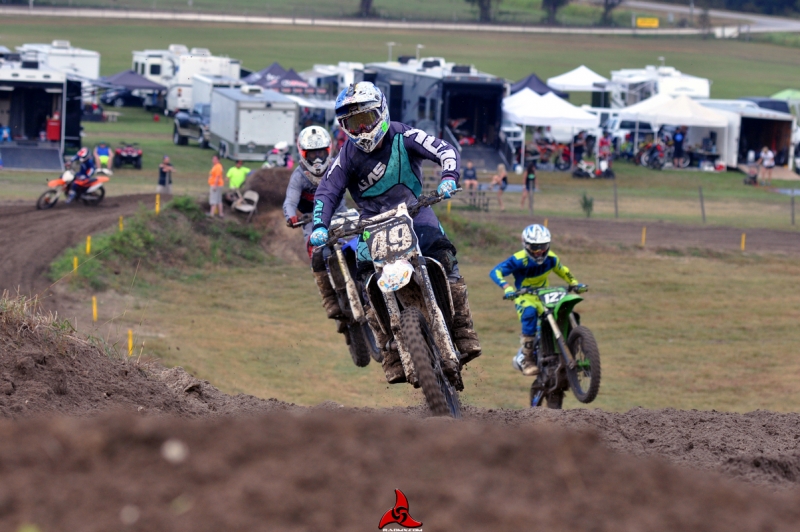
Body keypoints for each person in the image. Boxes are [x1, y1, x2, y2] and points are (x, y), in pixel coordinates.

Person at [309, 81, 481, 383]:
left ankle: (463, 329)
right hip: (371, 226)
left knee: (444, 255)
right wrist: (320, 225)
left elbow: (444, 149)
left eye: (366, 119)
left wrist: (448, 176)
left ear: (381, 112)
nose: (362, 129)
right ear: (344, 127)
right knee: (366, 282)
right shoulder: (346, 157)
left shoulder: (405, 135)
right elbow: (326, 191)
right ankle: (389, 350)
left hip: (414, 212)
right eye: (353, 124)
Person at [490, 224, 587, 376]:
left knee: (564, 311)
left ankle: (576, 348)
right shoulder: (518, 259)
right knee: (529, 314)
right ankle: (527, 359)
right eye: (535, 247)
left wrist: (575, 283)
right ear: (526, 245)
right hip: (525, 296)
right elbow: (495, 271)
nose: (539, 251)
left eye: (543, 246)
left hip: (545, 293)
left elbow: (563, 271)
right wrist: (507, 287)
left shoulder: (551, 259)